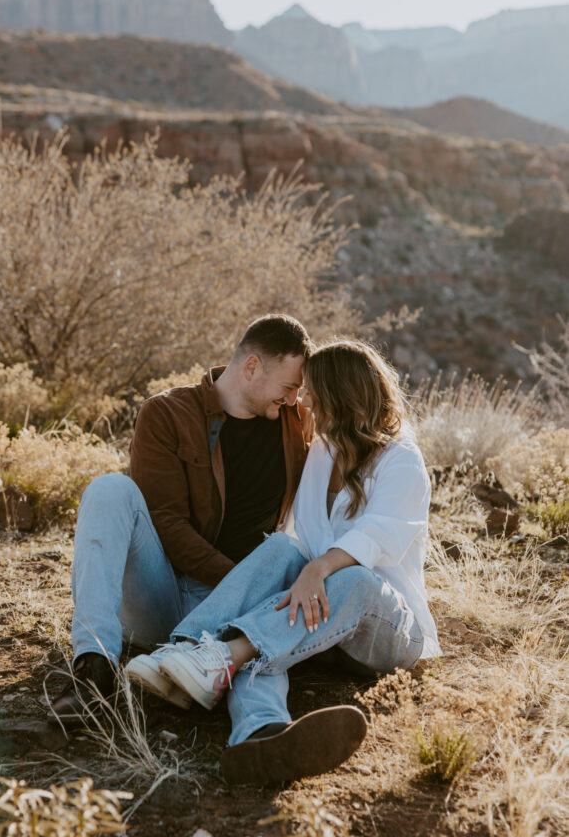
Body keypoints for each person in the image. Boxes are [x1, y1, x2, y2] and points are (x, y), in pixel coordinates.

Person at [127, 339, 441, 785]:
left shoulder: (401, 459)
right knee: (279, 551)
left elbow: (377, 540)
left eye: (312, 390)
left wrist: (317, 568)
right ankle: (234, 707)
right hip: (320, 623)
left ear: (342, 396)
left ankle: (224, 655)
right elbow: (294, 539)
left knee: (352, 579)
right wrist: (296, 565)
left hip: (384, 629)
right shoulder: (324, 450)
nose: (303, 400)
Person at [48, 313, 312, 727]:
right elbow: (166, 523)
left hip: (244, 603)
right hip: (166, 594)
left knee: (280, 561)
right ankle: (94, 672)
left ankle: (260, 728)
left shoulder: (295, 423)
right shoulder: (168, 413)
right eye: (289, 387)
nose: (293, 400)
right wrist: (237, 579)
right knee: (108, 489)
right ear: (251, 367)